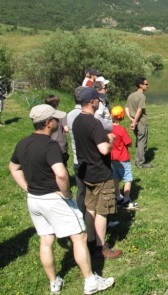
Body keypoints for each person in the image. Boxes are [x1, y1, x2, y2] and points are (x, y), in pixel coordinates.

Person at [8, 104, 115, 294]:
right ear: (48, 123)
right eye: (55, 119)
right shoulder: (50, 145)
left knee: (46, 240)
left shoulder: (23, 143)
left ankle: (54, 282)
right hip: (53, 199)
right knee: (80, 237)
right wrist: (66, 193)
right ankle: (91, 281)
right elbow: (61, 174)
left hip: (34, 200)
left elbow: (14, 168)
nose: (58, 121)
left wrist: (28, 188)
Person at [73, 87, 123, 259]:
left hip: (86, 172)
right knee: (102, 211)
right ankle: (101, 247)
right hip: (100, 172)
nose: (98, 103)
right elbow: (103, 149)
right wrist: (110, 140)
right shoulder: (93, 122)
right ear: (92, 102)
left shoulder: (77, 120)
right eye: (97, 101)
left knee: (90, 208)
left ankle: (91, 240)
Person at [110, 106, 139, 209]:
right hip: (123, 158)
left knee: (115, 178)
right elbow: (129, 143)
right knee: (127, 179)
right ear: (122, 117)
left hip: (112, 159)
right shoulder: (121, 130)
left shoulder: (107, 128)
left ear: (111, 116)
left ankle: (118, 197)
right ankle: (126, 199)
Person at [67, 86, 86, 214]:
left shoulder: (69, 114)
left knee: (81, 190)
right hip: (88, 160)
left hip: (76, 159)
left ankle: (81, 217)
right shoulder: (85, 115)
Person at [125, 77, 152, 168]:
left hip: (134, 121)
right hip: (140, 122)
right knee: (142, 142)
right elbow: (139, 111)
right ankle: (140, 163)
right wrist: (135, 122)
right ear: (140, 85)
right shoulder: (142, 96)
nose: (148, 86)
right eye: (146, 84)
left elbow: (126, 108)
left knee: (138, 140)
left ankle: (138, 160)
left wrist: (131, 119)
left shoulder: (131, 95)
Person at [44, 95, 70, 168]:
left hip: (47, 143)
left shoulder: (44, 115)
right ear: (56, 104)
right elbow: (66, 129)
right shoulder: (62, 114)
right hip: (60, 144)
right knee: (63, 165)